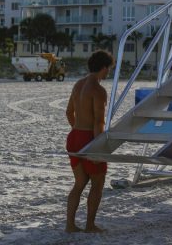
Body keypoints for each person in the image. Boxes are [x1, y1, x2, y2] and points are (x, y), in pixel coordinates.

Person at [65, 50, 114, 233]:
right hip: (89, 138)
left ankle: (70, 225)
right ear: (103, 68)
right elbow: (98, 122)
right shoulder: (98, 90)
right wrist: (98, 148)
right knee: (97, 182)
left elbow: (69, 112)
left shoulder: (78, 85)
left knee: (79, 184)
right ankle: (90, 225)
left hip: (74, 136)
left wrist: (76, 131)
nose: (108, 72)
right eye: (109, 69)